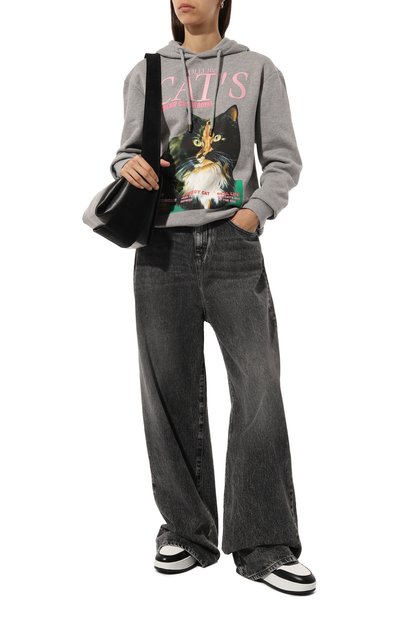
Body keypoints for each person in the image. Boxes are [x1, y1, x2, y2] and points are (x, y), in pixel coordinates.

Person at [109, 0, 316, 596]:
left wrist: (255, 211)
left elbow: (283, 158)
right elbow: (127, 151)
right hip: (160, 248)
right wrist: (127, 167)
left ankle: (264, 543)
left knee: (258, 386)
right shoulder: (146, 72)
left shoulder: (257, 69)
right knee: (167, 388)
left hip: (232, 244)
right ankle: (185, 530)